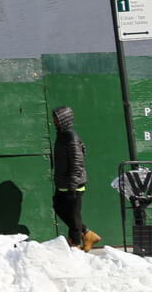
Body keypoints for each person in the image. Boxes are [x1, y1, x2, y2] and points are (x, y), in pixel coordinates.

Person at [51, 106, 99, 251]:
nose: (55, 122)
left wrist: (73, 186)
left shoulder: (72, 138)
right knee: (60, 208)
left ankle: (76, 245)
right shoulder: (62, 136)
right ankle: (87, 233)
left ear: (65, 120)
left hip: (73, 185)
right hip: (63, 184)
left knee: (74, 218)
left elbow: (77, 163)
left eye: (57, 119)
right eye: (54, 119)